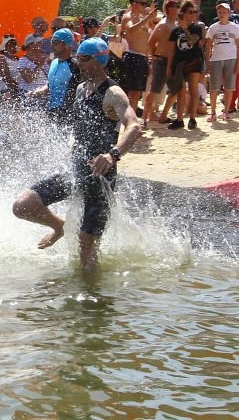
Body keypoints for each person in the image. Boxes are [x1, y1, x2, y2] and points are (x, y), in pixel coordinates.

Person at [12, 38, 142, 272]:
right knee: (23, 205)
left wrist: (112, 155)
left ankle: (95, 302)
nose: (79, 63)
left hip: (99, 176)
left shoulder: (113, 93)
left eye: (84, 58)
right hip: (75, 169)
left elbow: (134, 127)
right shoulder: (82, 89)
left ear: (101, 60)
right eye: (77, 58)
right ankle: (60, 227)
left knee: (86, 252)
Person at [166, 0, 205, 130]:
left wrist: (185, 29)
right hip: (179, 64)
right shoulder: (175, 31)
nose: (193, 14)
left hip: (194, 61)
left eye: (195, 12)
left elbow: (192, 41)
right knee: (180, 92)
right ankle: (179, 119)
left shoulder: (197, 28)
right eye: (190, 12)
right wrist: (169, 66)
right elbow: (171, 50)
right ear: (183, 13)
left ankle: (192, 119)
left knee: (194, 91)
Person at [31, 28, 81, 124]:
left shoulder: (75, 66)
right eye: (52, 42)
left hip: (68, 114)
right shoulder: (53, 63)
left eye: (55, 42)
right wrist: (37, 93)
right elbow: (50, 86)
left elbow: (80, 90)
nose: (52, 45)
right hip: (52, 112)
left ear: (67, 45)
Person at [205, 2, 239, 122]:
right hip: (216, 58)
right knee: (214, 88)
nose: (222, 14)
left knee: (229, 87)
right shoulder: (213, 28)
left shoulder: (235, 27)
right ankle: (213, 112)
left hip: (231, 58)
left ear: (229, 13)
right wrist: (207, 61)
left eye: (224, 12)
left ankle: (226, 111)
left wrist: (238, 63)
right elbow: (208, 46)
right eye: (220, 12)